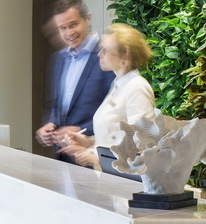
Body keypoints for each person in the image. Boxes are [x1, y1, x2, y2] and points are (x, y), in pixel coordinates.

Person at [59, 23, 157, 170]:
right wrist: (89, 142)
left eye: (105, 50)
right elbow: (115, 136)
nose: (99, 54)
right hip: (107, 178)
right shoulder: (118, 85)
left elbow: (141, 143)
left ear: (125, 55)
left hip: (122, 184)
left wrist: (96, 157)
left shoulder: (137, 87)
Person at [36, 0, 115, 163]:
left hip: (95, 157)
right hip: (63, 157)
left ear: (88, 18)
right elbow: (55, 106)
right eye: (62, 28)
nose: (69, 33)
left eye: (73, 25)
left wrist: (81, 130)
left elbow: (117, 114)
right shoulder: (58, 59)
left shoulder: (108, 54)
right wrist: (49, 126)